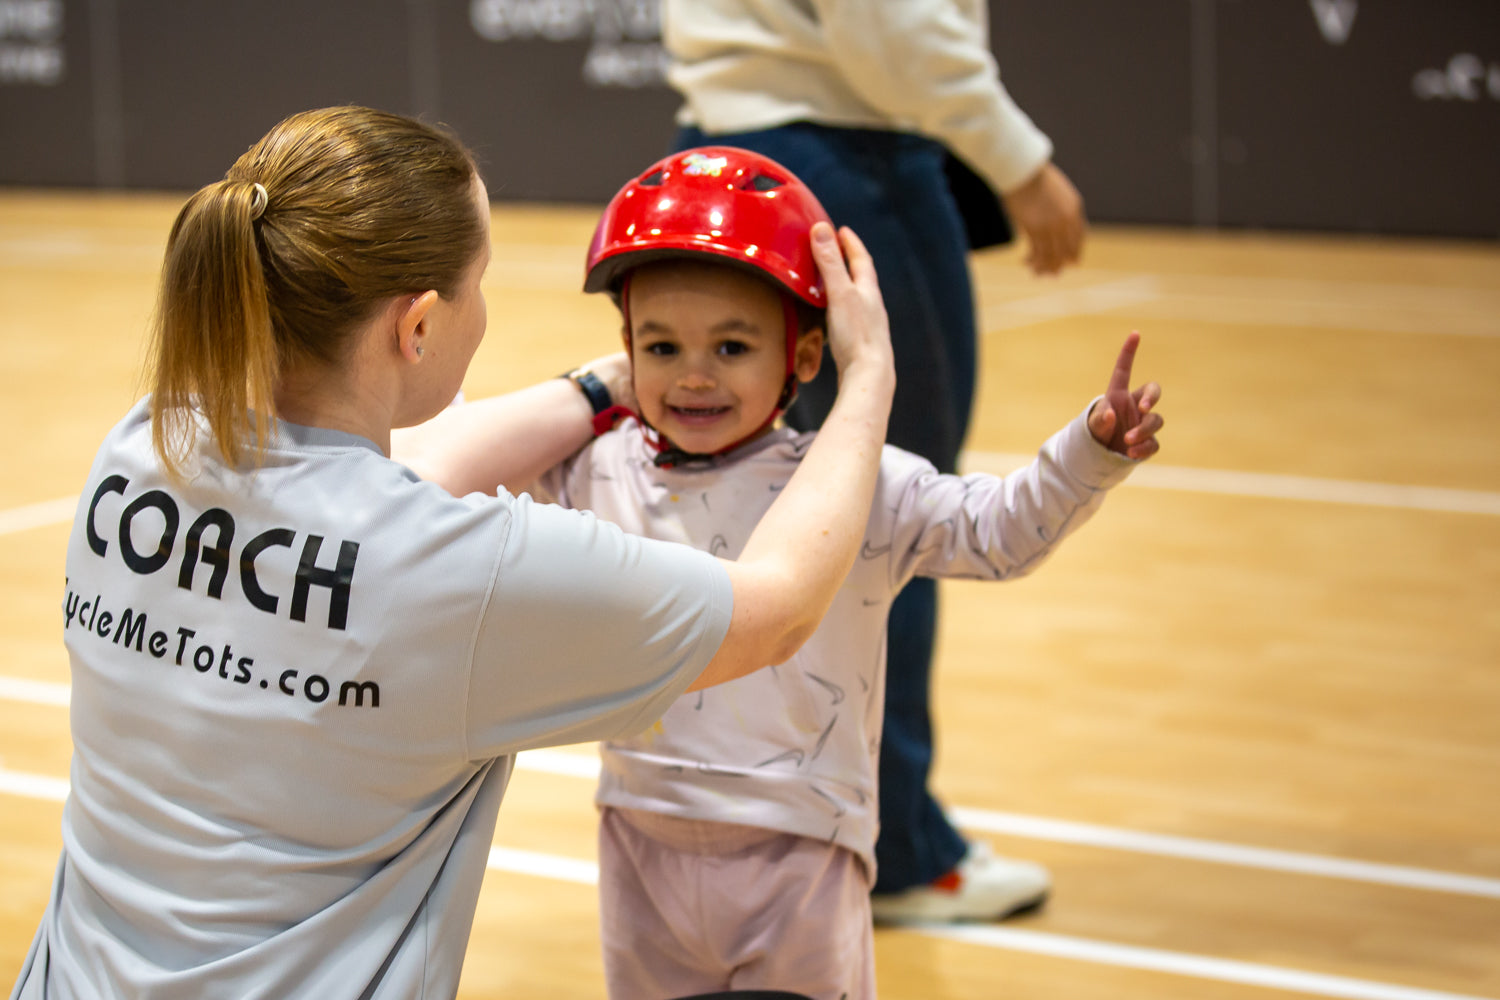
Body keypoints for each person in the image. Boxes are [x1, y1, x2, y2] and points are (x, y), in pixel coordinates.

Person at [9, 107, 896, 1000]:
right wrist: (867, 379)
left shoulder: (143, 446)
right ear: (420, 326)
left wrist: (613, 382)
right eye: (480, 282)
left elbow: (398, 477)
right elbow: (778, 610)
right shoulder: (469, 572)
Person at [523, 147, 1160, 1000]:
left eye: (733, 345)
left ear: (807, 355)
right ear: (626, 351)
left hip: (803, 850)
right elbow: (449, 483)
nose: (695, 374)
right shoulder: (595, 469)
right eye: (661, 345)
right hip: (640, 835)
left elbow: (997, 533)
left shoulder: (854, 480)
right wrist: (585, 395)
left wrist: (1087, 454)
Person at [657, 0, 1091, 921]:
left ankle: (781, 805)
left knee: (775, 505)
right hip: (843, 164)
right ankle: (893, 853)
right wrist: (1019, 162)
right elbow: (891, 26)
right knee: (891, 510)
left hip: (730, 149)